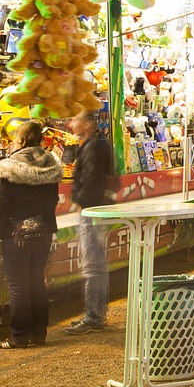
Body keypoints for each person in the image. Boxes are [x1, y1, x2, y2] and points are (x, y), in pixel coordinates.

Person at [0, 119, 62, 349]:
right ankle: (39, 334)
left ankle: (19, 337)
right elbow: (53, 202)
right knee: (37, 283)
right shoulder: (51, 164)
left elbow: (1, 205)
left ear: (20, 140)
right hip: (43, 231)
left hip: (16, 234)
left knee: (19, 286)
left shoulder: (9, 166)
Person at [63, 112, 115, 335]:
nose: (70, 124)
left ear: (87, 123)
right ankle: (96, 314)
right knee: (97, 265)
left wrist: (80, 200)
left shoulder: (93, 147)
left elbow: (91, 180)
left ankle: (93, 316)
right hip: (95, 209)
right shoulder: (95, 144)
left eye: (74, 120)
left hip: (92, 211)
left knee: (93, 266)